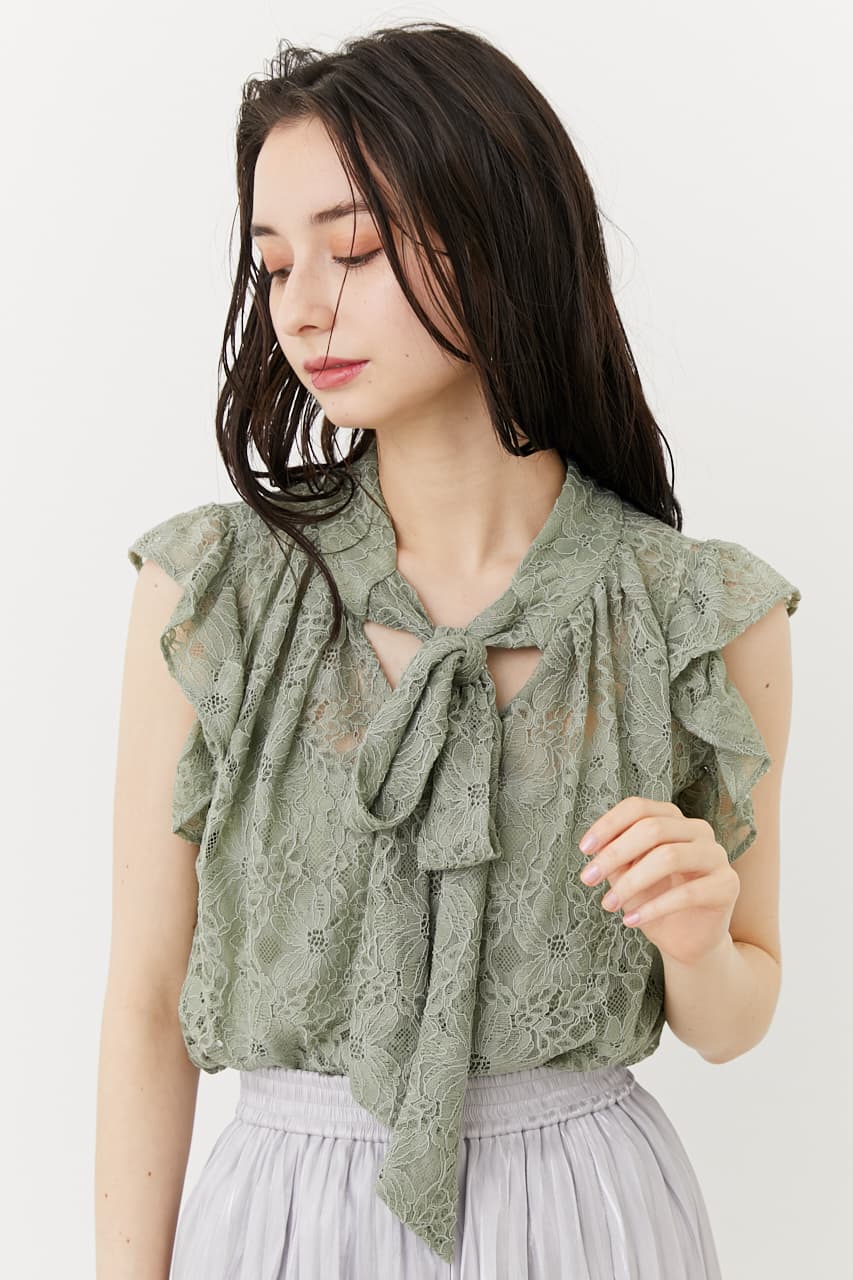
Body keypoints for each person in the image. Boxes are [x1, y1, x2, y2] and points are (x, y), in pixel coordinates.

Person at [95, 19, 801, 1279]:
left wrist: (697, 934)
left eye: (355, 249)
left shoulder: (697, 612)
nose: (303, 306)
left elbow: (734, 1017)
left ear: (502, 236)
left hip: (589, 1220)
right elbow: (147, 1002)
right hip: (282, 1225)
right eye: (274, 264)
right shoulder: (209, 591)